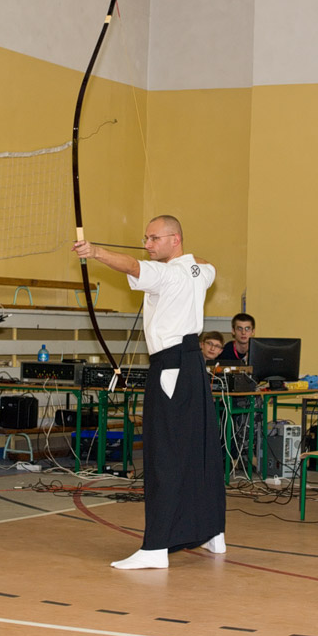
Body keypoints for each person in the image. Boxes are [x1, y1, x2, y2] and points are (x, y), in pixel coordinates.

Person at [74, 215, 225, 569]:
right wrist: (183, 255)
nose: (147, 245)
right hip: (192, 366)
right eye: (145, 238)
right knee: (196, 448)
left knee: (164, 455)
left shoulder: (167, 274)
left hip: (170, 368)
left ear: (175, 240)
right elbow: (203, 262)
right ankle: (212, 531)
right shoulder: (201, 273)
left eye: (154, 238)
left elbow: (131, 265)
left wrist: (94, 251)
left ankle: (156, 547)